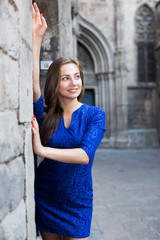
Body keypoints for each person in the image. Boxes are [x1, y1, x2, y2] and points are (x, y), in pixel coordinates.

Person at [32, 2, 106, 240]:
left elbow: (84, 155)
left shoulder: (95, 115)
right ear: (55, 83)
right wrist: (36, 39)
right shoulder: (46, 115)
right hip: (47, 195)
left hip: (78, 201)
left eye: (77, 77)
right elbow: (34, 89)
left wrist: (42, 149)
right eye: (66, 78)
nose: (74, 82)